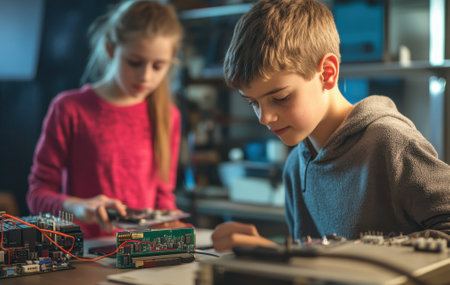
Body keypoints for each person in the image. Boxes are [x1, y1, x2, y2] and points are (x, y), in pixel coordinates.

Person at [212, 0, 450, 252]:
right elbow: (317, 271)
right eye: (253, 103)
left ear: (327, 73)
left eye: (280, 98)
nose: (264, 117)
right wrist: (273, 254)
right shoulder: (295, 167)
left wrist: (357, 252)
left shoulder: (390, 142)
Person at [27, 0, 183, 238]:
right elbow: (37, 196)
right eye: (135, 62)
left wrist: (171, 223)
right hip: (84, 256)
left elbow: (163, 197)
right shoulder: (70, 109)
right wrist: (78, 207)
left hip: (142, 257)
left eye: (158, 66)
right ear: (111, 49)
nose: (145, 76)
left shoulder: (168, 116)